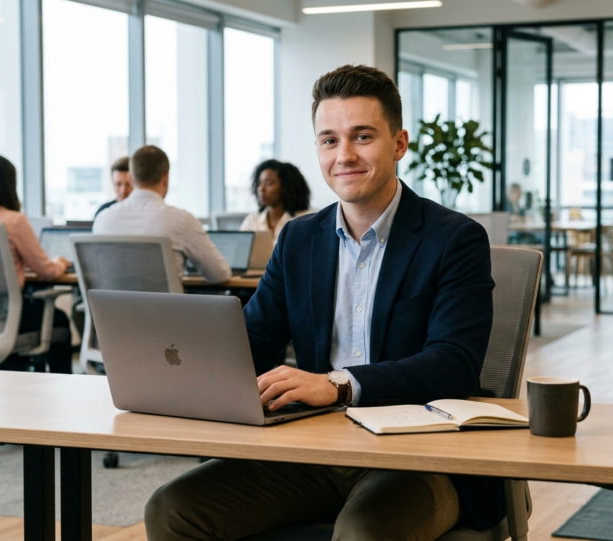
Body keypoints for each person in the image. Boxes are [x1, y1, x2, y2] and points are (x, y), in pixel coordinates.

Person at [144, 65, 497, 540]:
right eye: (329, 140)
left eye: (362, 136)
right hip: (313, 448)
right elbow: (255, 339)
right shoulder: (298, 238)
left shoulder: (454, 239)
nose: (344, 155)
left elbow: (454, 364)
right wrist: (185, 372)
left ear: (398, 144)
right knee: (172, 509)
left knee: (361, 534)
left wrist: (337, 384)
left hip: (418, 458)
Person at [0, 155, 73, 373]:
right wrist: (60, 263)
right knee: (60, 320)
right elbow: (46, 271)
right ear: (9, 185)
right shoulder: (14, 220)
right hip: (7, 318)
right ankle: (59, 394)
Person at [93, 145, 231, 284]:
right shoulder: (182, 221)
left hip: (111, 306)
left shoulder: (103, 219)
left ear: (130, 178)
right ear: (166, 178)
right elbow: (220, 274)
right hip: (164, 306)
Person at [239, 159, 312, 242]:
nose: (261, 189)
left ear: (285, 187)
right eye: (259, 183)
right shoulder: (252, 221)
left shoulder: (305, 220)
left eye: (268, 183)